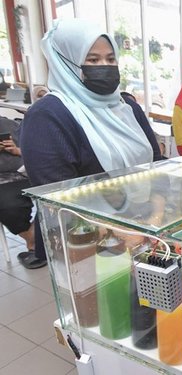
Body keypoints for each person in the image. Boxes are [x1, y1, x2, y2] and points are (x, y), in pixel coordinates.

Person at [19, 19, 162, 269]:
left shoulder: (128, 108)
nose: (104, 67)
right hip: (89, 247)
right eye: (93, 60)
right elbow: (58, 203)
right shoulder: (48, 117)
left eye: (110, 59)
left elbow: (158, 165)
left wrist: (156, 215)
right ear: (66, 63)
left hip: (146, 230)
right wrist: (120, 234)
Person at [0, 117, 35, 256]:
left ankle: (38, 236)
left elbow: (34, 151)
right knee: (10, 207)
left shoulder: (9, 124)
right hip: (3, 182)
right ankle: (33, 240)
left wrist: (16, 150)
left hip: (23, 172)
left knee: (53, 194)